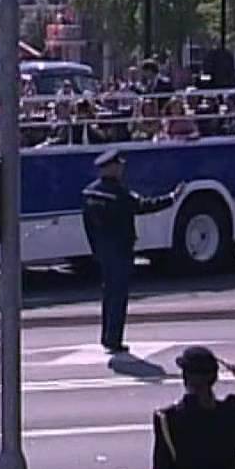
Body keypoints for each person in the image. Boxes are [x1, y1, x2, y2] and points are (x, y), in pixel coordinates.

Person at [82, 149, 185, 353]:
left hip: (103, 251)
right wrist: (172, 198)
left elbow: (88, 225)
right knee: (118, 296)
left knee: (108, 295)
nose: (122, 168)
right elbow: (144, 206)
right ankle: (114, 340)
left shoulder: (90, 192)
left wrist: (95, 249)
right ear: (111, 168)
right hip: (120, 251)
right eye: (119, 165)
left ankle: (106, 337)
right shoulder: (118, 194)